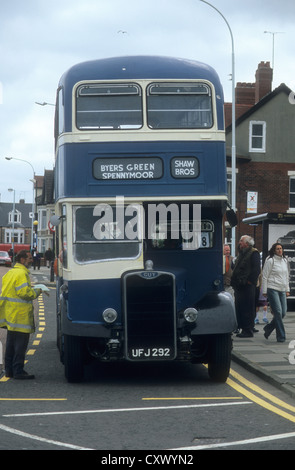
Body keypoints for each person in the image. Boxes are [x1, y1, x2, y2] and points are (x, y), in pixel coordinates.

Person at [0, 250, 42, 379]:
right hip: (21, 315)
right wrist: (38, 291)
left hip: (11, 315)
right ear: (22, 260)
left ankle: (9, 371)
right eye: (29, 258)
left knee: (11, 345)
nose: (31, 260)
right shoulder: (22, 274)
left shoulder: (10, 273)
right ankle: (18, 371)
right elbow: (25, 293)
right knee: (20, 345)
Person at [231, 235, 261, 337]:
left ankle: (247, 330)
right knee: (240, 308)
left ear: (247, 243)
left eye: (241, 241)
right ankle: (243, 328)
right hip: (240, 286)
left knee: (247, 308)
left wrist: (249, 282)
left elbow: (256, 269)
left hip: (247, 286)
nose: (239, 243)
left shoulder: (253, 253)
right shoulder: (242, 253)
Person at [262, 243, 290, 342]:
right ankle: (281, 336)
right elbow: (265, 276)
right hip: (272, 288)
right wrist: (264, 291)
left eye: (281, 248)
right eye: (277, 249)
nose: (279, 250)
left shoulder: (284, 261)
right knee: (278, 312)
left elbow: (286, 276)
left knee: (283, 313)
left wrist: (287, 289)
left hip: (282, 289)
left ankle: (268, 328)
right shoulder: (270, 261)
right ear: (274, 251)